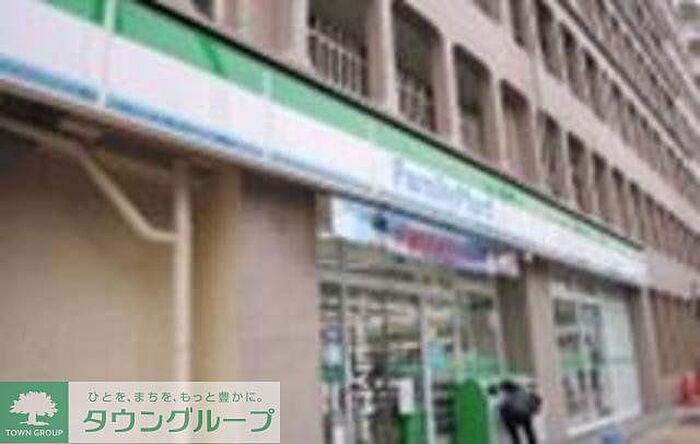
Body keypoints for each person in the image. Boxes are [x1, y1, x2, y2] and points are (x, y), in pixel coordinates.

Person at [497, 379, 542, 444]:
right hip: (525, 415)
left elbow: (502, 406)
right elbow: (536, 399)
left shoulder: (505, 395)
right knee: (529, 430)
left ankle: (516, 442)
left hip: (513, 417)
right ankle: (533, 442)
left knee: (513, 433)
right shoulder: (523, 391)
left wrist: (502, 417)